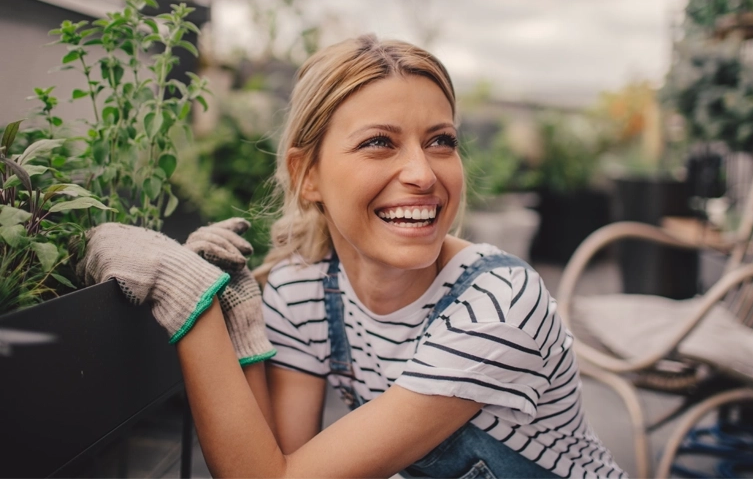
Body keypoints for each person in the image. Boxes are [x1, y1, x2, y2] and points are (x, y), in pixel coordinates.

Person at [78, 34, 625, 478]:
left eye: (441, 141)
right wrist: (239, 319)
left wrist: (187, 299)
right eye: (379, 143)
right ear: (306, 175)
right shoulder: (307, 289)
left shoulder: (499, 309)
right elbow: (271, 463)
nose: (423, 172)